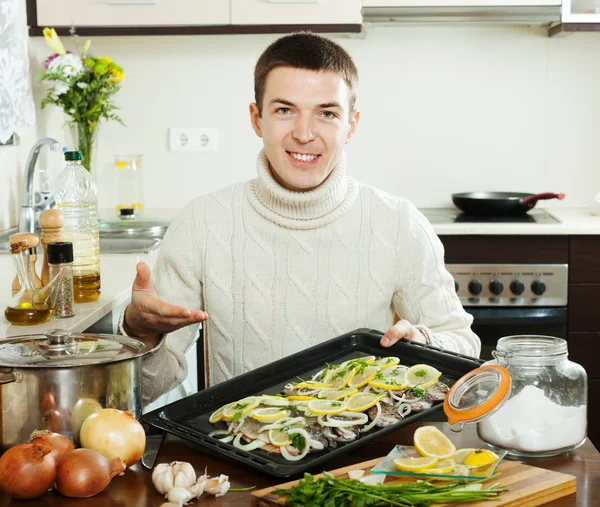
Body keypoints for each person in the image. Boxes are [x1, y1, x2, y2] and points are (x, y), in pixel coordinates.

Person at [122, 33, 481, 405]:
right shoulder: (201, 223)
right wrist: (140, 333)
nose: (304, 134)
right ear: (256, 119)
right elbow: (146, 391)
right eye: (284, 110)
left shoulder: (398, 223)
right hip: (236, 450)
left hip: (360, 457)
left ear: (351, 125)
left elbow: (465, 349)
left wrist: (424, 343)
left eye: (326, 113)